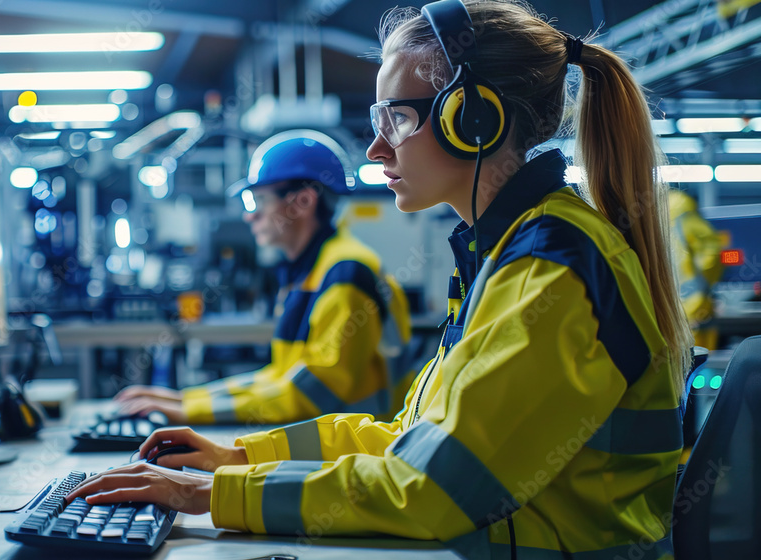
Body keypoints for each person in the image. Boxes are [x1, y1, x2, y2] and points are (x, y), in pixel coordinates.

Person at [68, 1, 692, 557]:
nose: (375, 148)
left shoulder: (550, 268)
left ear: (473, 120)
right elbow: (406, 439)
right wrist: (237, 459)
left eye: (395, 118)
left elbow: (433, 488)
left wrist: (214, 494)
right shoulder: (508, 252)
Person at [114, 130, 414, 425]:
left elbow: (309, 396)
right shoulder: (311, 272)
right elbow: (280, 376)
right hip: (339, 446)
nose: (249, 216)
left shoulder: (346, 273)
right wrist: (181, 400)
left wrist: (188, 413)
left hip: (363, 452)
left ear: (304, 202)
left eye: (257, 201)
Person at [669, 189, 724, 349]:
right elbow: (712, 249)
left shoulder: (668, 209)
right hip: (692, 303)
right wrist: (704, 283)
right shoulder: (680, 206)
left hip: (675, 303)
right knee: (698, 361)